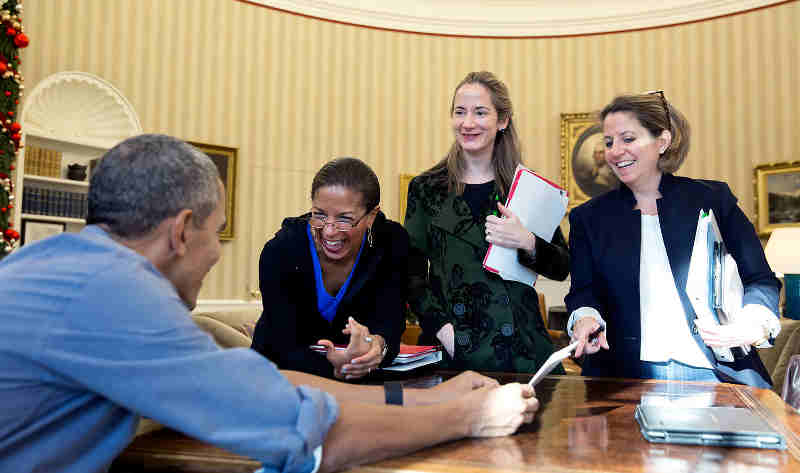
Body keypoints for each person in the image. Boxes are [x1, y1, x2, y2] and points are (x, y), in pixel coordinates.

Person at [0, 134, 540, 473]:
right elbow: (309, 433)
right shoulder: (116, 297)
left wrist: (431, 399)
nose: (215, 253)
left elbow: (272, 384)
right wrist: (468, 416)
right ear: (182, 232)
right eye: (217, 232)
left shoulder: (64, 268)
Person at [566, 92, 781, 387]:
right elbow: (583, 292)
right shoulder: (587, 218)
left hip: (716, 372)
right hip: (622, 378)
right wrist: (585, 318)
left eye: (628, 139)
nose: (615, 152)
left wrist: (751, 323)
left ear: (662, 142)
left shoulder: (714, 199)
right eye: (608, 142)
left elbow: (760, 280)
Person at [405, 71, 570, 373]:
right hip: (455, 352)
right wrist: (444, 330)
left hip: (523, 353)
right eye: (460, 112)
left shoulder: (525, 188)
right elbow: (410, 275)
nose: (468, 123)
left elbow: (561, 267)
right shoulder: (426, 188)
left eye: (480, 112)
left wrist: (527, 241)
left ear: (502, 120)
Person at [251, 158, 408, 380]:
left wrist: (377, 348)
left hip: (359, 381)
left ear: (371, 216)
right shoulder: (281, 250)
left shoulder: (392, 244)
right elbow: (282, 343)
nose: (329, 231)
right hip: (278, 379)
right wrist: (334, 368)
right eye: (320, 215)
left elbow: (390, 324)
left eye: (345, 219)